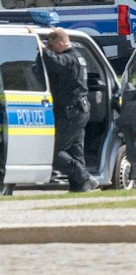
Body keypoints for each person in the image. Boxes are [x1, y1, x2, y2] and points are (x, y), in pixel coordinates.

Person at [42, 27, 99, 192]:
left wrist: (43, 49)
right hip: (78, 111)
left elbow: (56, 62)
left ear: (60, 44)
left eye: (52, 46)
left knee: (52, 151)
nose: (51, 49)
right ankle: (80, 186)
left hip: (72, 112)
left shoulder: (70, 58)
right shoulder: (78, 56)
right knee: (75, 151)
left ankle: (83, 177)